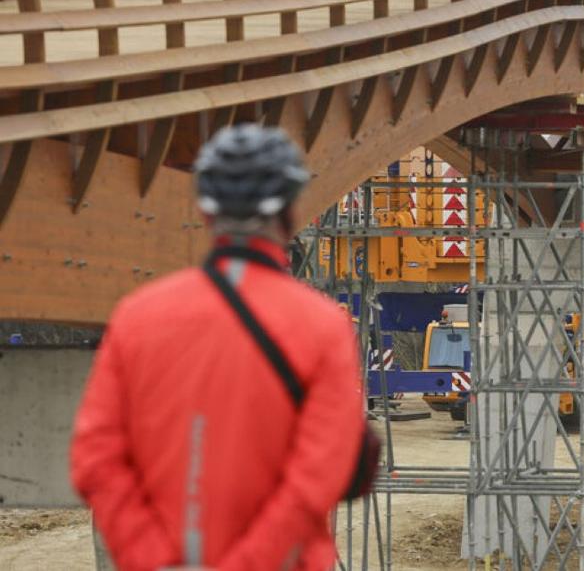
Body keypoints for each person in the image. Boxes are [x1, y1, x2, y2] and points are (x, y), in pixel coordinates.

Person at [71, 124, 377, 571]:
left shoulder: (137, 316)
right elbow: (316, 478)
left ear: (205, 210)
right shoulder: (321, 325)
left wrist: (150, 558)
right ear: (291, 208)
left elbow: (96, 461)